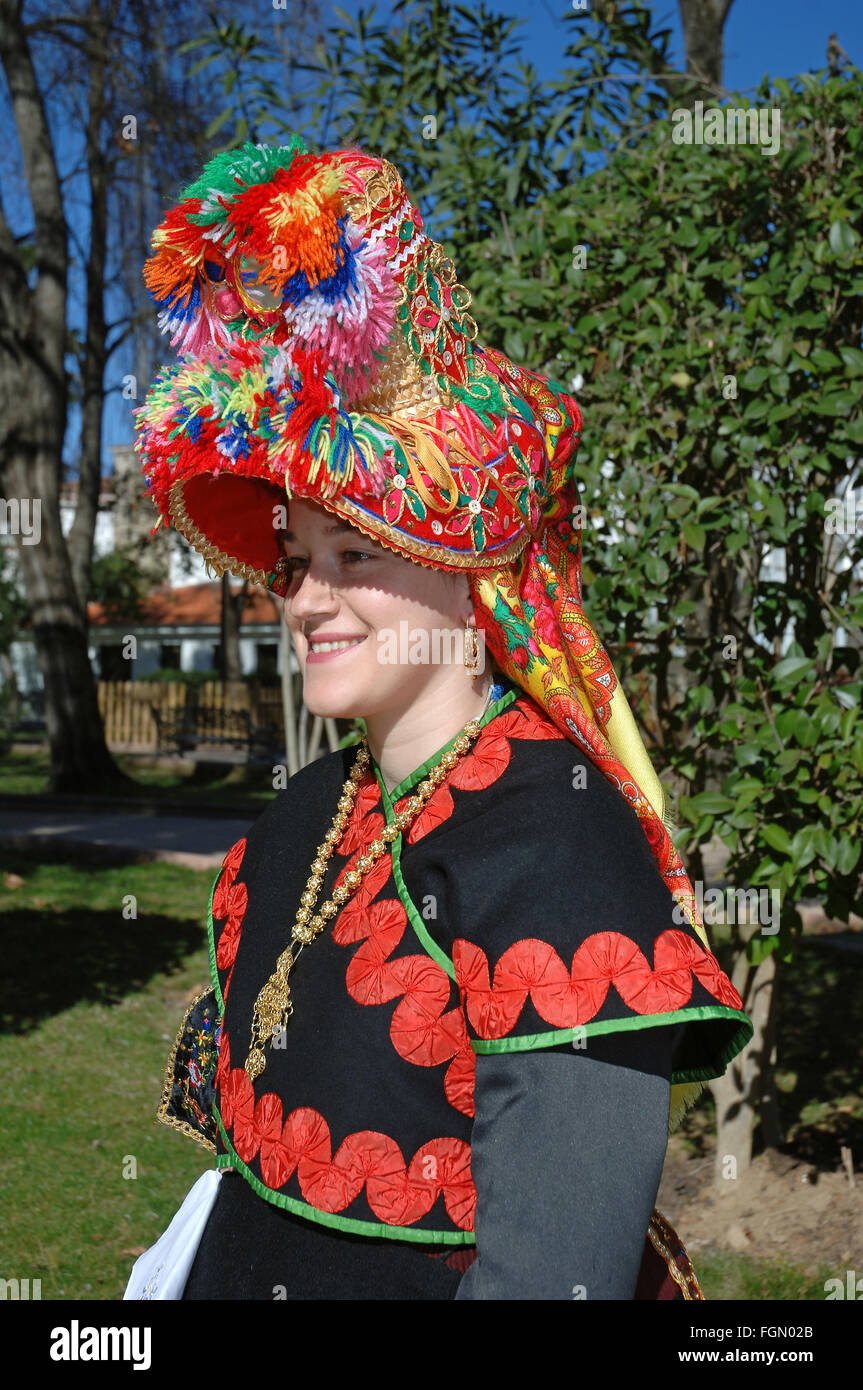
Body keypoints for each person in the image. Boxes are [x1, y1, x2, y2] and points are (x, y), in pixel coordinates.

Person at [127, 137, 753, 1301]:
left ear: (467, 573)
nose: (305, 596)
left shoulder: (562, 852)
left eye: (353, 553)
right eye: (297, 558)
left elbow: (546, 1277)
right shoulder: (310, 807)